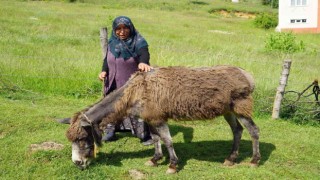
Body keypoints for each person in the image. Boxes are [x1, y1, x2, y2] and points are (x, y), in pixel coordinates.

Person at [98, 16, 153, 146]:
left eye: (125, 28)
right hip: (113, 82)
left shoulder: (138, 41)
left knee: (135, 107)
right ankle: (111, 131)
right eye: (118, 29)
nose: (122, 32)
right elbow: (107, 59)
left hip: (131, 83)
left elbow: (144, 53)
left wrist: (143, 62)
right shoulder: (112, 43)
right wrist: (104, 71)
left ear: (130, 28)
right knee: (112, 107)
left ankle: (143, 135)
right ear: (114, 30)